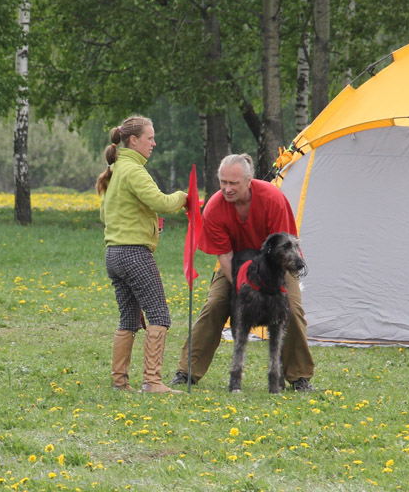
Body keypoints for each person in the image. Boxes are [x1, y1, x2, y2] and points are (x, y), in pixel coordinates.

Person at [169, 153, 316, 391]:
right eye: (223, 182)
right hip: (236, 267)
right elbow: (225, 257)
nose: (226, 189)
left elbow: (286, 250)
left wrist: (269, 288)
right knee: (215, 304)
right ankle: (186, 372)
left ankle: (299, 377)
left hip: (278, 265)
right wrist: (244, 289)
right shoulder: (215, 208)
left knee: (292, 307)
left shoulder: (273, 199)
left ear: (249, 181)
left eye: (233, 183)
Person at [97, 115, 188, 394]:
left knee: (128, 319)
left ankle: (120, 382)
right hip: (134, 253)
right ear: (133, 140)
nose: (154, 143)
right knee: (159, 316)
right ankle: (152, 381)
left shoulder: (116, 170)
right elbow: (160, 201)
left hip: (113, 253)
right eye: (150, 138)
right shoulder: (134, 171)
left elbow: (104, 213)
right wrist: (184, 197)